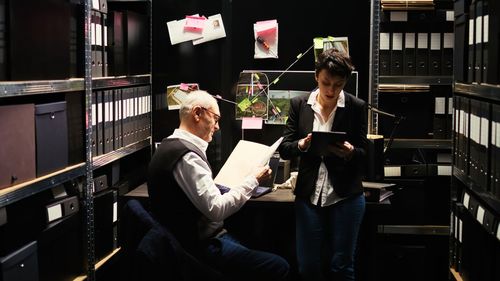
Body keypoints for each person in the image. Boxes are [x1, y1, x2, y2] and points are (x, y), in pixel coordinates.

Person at [147, 90, 290, 281]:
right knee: (280, 266)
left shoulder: (171, 146)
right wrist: (253, 180)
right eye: (215, 118)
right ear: (197, 113)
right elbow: (217, 209)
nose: (217, 126)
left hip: (187, 240)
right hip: (198, 247)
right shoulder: (187, 157)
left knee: (256, 242)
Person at [278, 48, 368, 281]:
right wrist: (302, 145)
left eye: (338, 85)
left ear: (345, 81)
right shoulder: (299, 104)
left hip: (346, 195)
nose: (330, 90)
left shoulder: (356, 106)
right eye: (326, 82)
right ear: (316, 76)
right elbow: (285, 148)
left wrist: (349, 152)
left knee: (342, 266)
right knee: (308, 267)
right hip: (309, 195)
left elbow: (365, 153)